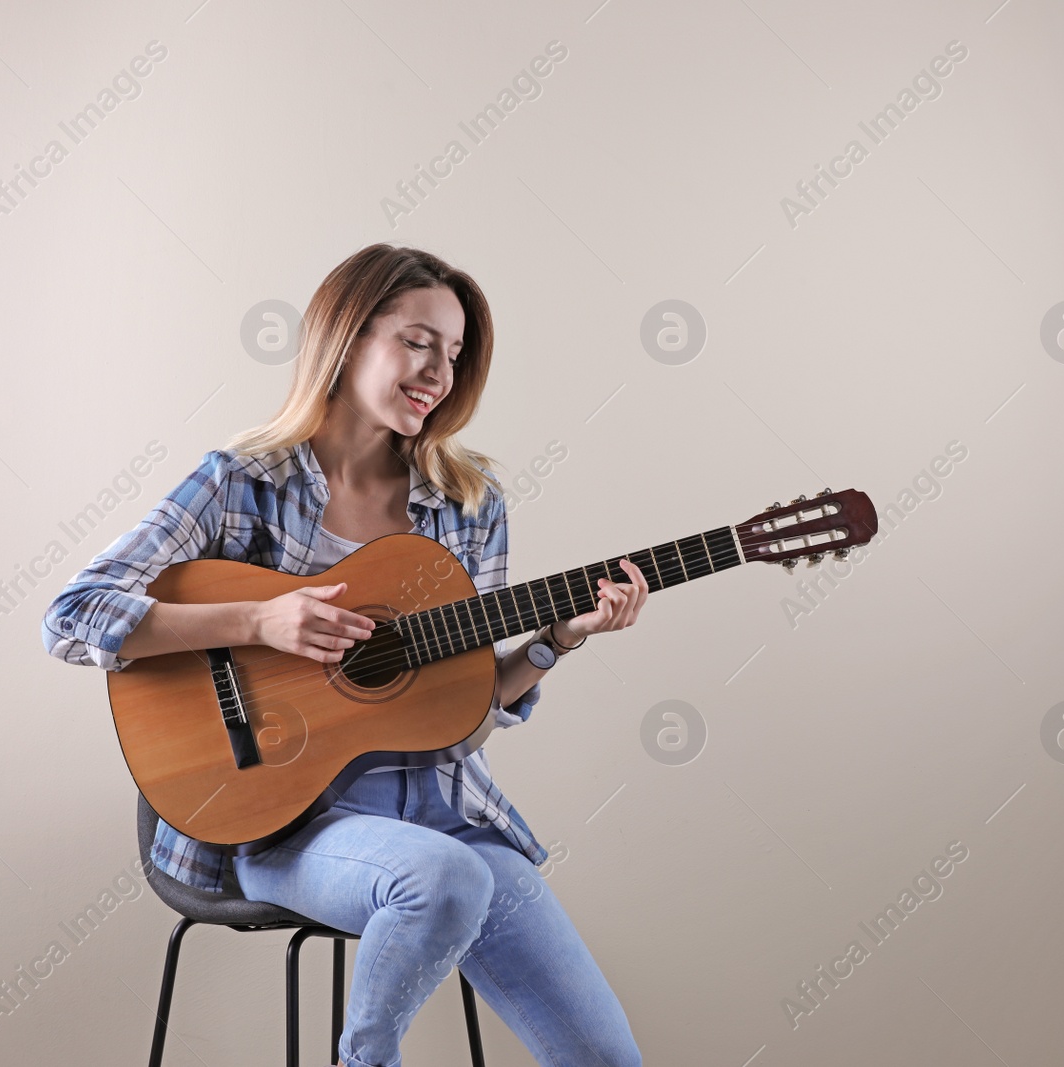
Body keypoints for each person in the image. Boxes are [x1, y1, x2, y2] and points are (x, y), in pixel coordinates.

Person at [43, 243, 647, 1067]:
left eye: (456, 354)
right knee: (443, 882)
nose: (439, 370)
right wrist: (257, 622)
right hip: (286, 823)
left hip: (445, 816)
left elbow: (458, 726)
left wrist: (553, 641)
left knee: (607, 1059)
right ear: (348, 338)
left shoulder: (469, 507)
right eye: (418, 341)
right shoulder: (241, 483)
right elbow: (73, 615)